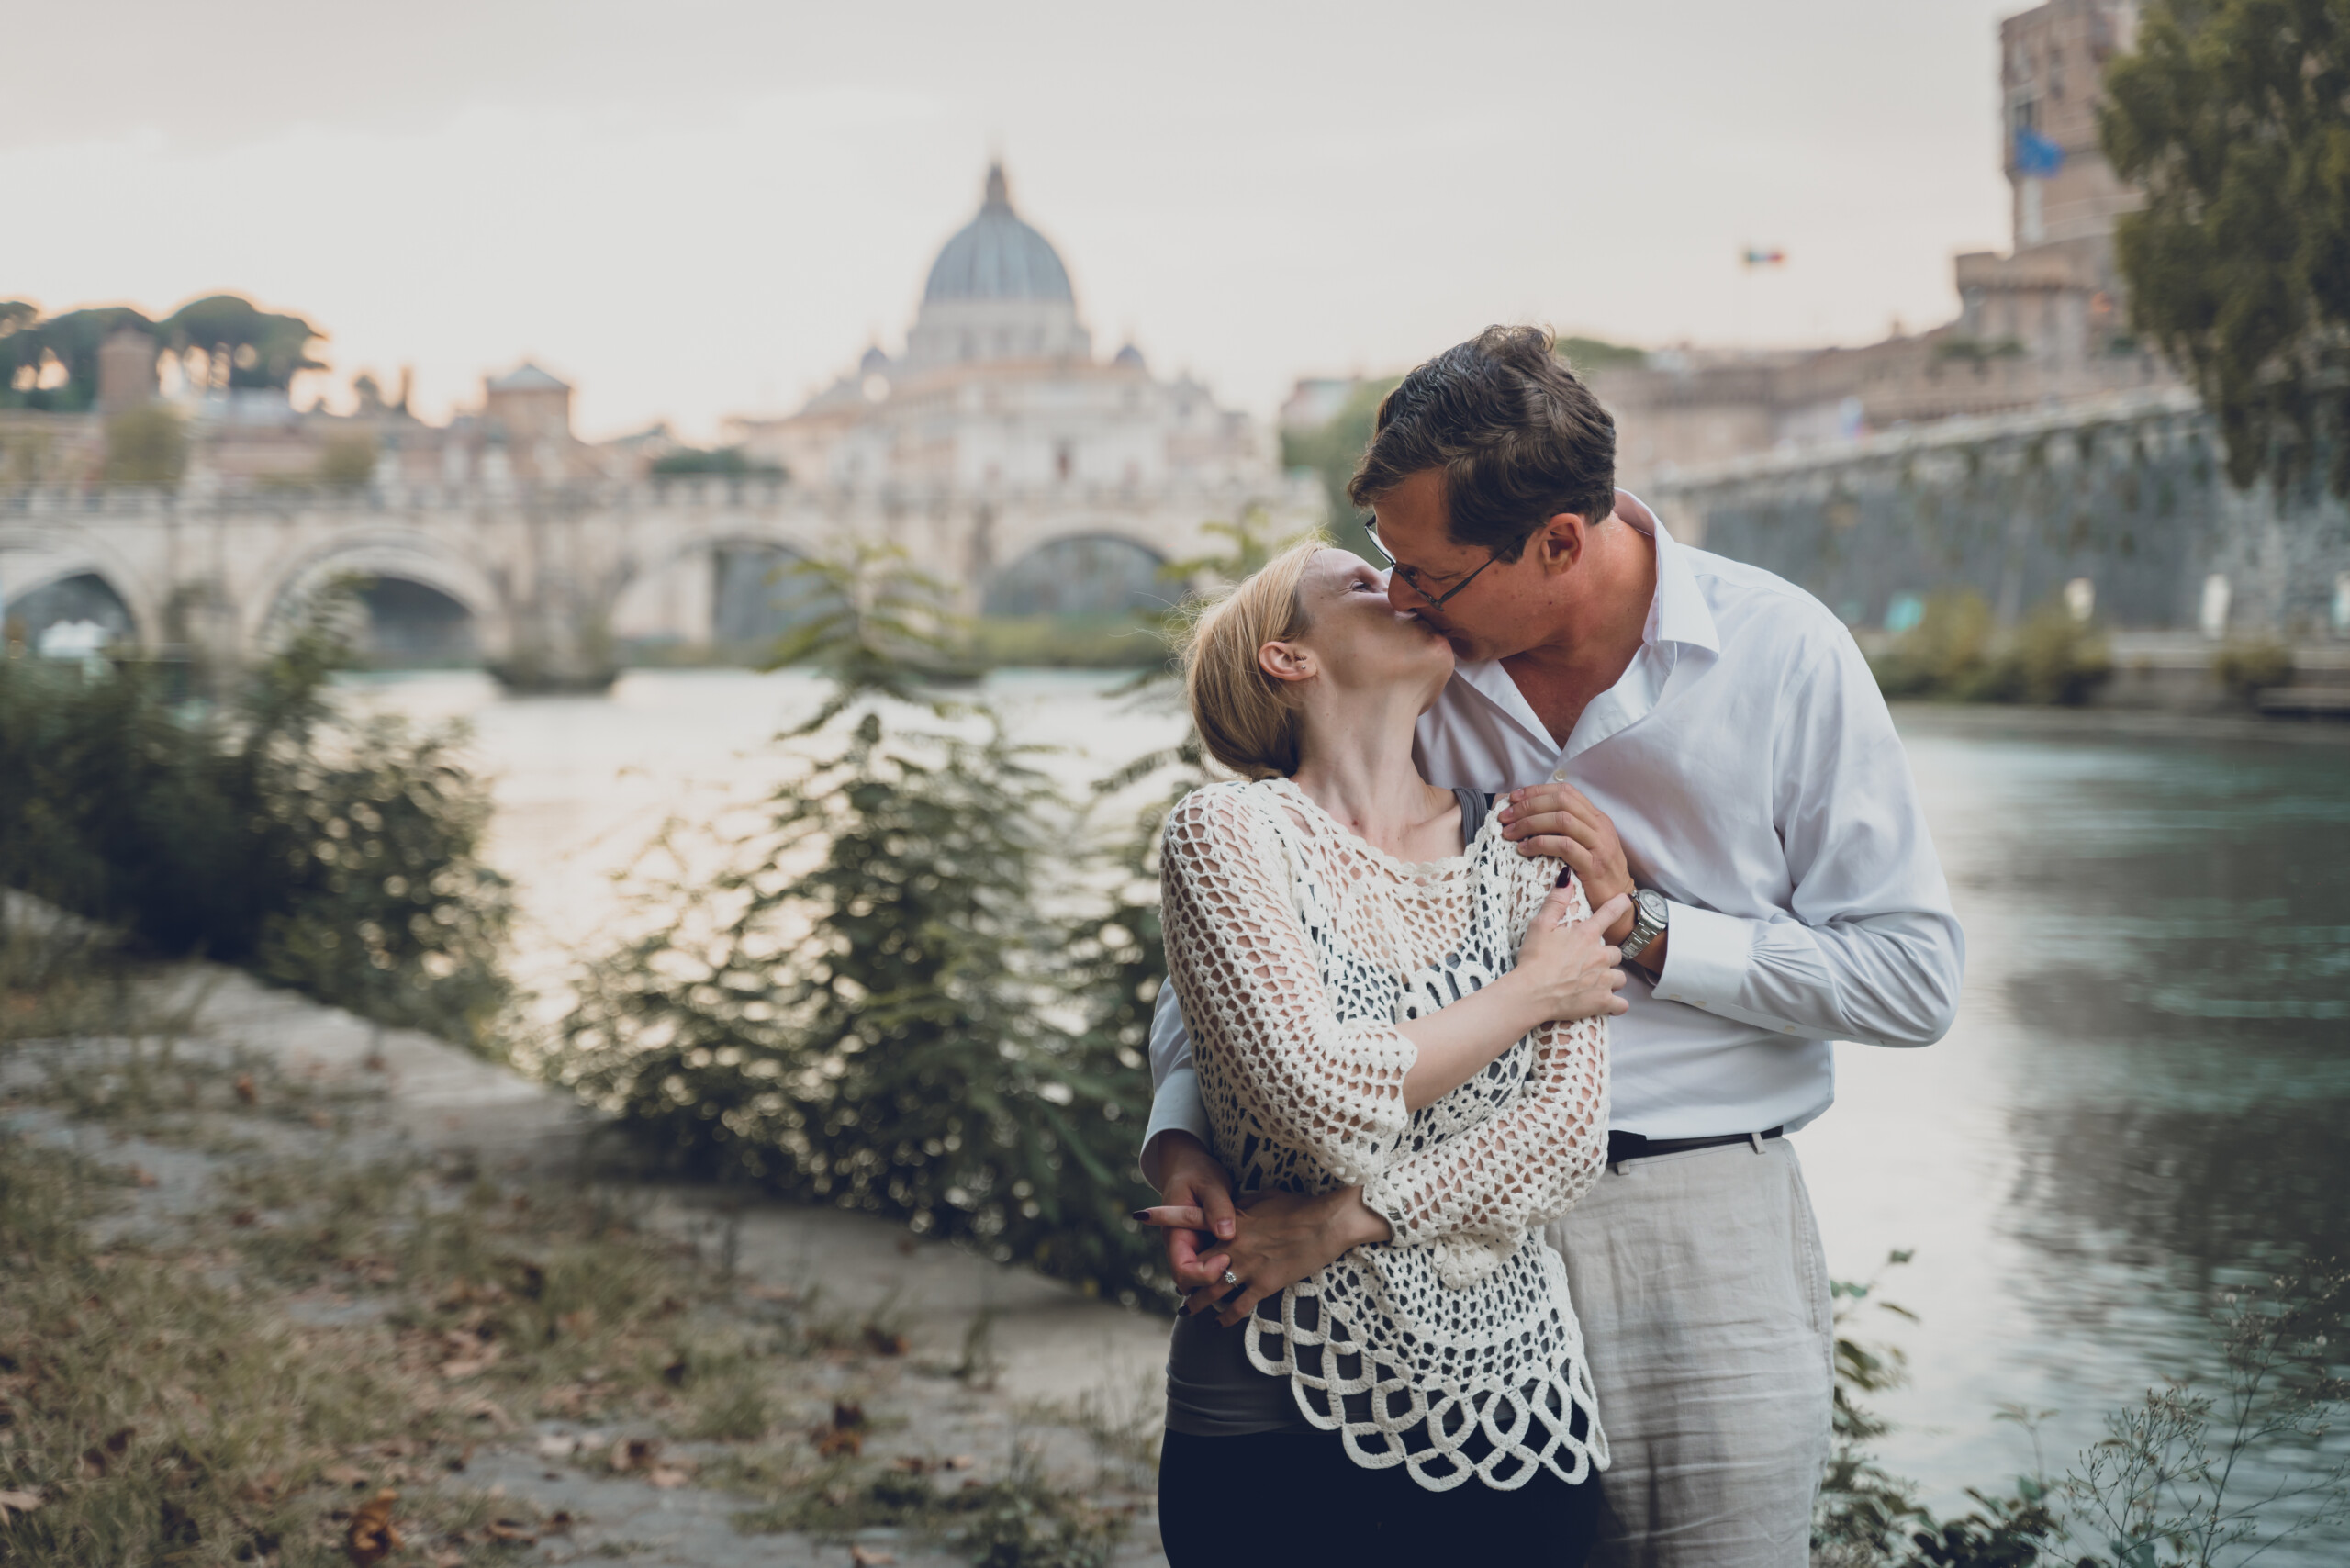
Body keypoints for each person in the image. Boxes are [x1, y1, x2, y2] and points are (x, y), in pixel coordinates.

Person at [1143, 326, 1964, 1568]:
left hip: (1696, 1220)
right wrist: (1183, 1128)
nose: (1403, 594)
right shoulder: (1423, 668)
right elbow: (1257, 941)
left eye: (1430, 574)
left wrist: (1649, 933)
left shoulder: (1783, 655)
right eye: (1384, 563)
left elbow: (1913, 978)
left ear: (1558, 543)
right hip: (1436, 1247)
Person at [1140, 537, 1636, 1562]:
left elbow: (1563, 1139)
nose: (1403, 589)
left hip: (1510, 1402)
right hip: (1266, 1397)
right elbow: (1309, 1095)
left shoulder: (1523, 844)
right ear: (1290, 657)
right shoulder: (1224, 833)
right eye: (1363, 584)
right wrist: (1531, 992)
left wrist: (1341, 1220)